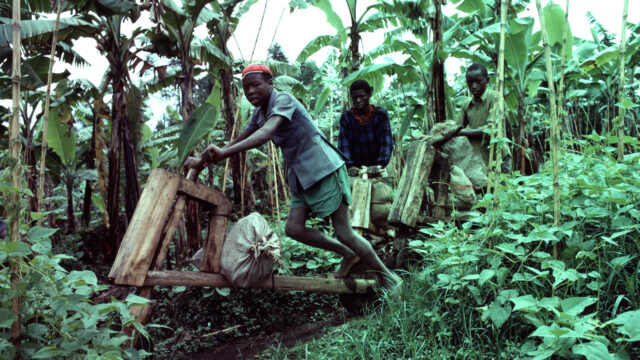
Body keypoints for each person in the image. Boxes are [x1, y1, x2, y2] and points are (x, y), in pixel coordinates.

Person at [183, 64, 401, 292]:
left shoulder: (283, 100)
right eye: (246, 88)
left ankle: (389, 278)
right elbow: (241, 138)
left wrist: (223, 153)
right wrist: (202, 161)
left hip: (323, 167)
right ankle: (347, 254)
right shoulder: (259, 113)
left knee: (344, 232)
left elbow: (265, 134)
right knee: (294, 229)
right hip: (300, 175)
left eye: (256, 85)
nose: (250, 92)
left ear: (270, 83)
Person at [456, 63, 512, 174]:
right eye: (470, 82)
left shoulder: (495, 99)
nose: (474, 86)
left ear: (487, 80)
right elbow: (456, 127)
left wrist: (462, 133)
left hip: (498, 156)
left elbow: (491, 129)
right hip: (478, 159)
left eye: (478, 81)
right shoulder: (466, 104)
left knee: (500, 189)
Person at [338, 80, 393, 177]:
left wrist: (380, 164)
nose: (358, 100)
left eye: (362, 96)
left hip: (377, 167)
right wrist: (349, 165)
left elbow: (386, 142)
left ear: (369, 95)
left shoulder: (380, 115)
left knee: (382, 190)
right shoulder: (346, 116)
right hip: (355, 170)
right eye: (355, 98)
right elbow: (343, 144)